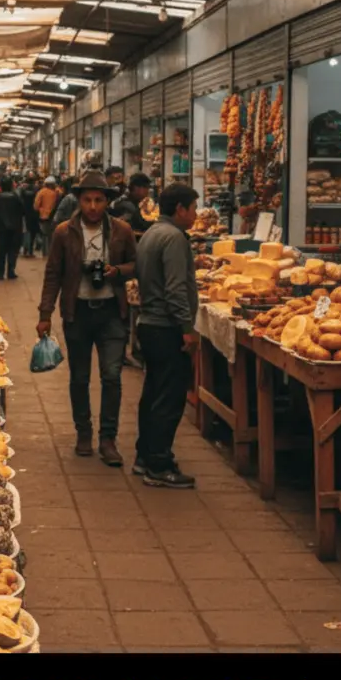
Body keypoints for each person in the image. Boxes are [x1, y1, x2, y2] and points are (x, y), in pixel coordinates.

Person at [37, 171, 136, 464]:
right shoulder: (64, 232)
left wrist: (117, 271)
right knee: (79, 378)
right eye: (88, 200)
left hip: (111, 314)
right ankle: (83, 432)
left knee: (112, 377)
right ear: (79, 200)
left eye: (99, 200)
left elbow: (136, 264)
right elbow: (53, 273)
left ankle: (108, 439)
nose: (93, 206)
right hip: (76, 313)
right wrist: (45, 314)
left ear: (107, 201)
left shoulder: (122, 230)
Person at [134, 182, 200, 489]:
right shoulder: (173, 238)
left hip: (150, 324)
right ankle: (159, 466)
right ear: (180, 209)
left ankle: (145, 456)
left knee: (153, 394)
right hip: (165, 327)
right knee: (169, 398)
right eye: (194, 208)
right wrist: (186, 329)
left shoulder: (152, 233)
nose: (196, 215)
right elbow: (175, 290)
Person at [0, 176, 25, 281]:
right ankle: (11, 271)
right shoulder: (16, 197)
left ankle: (0, 273)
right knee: (13, 249)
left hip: (1, 228)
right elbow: (23, 211)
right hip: (15, 228)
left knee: (1, 250)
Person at [34, 176, 58, 257]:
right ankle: (52, 252)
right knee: (53, 235)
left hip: (43, 216)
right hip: (55, 217)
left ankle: (45, 253)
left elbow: (36, 206)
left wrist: (40, 209)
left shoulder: (41, 192)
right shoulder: (57, 192)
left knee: (45, 235)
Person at [19, 173, 40, 257]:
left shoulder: (23, 190)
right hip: (34, 213)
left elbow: (20, 201)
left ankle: (25, 249)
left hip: (25, 213)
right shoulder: (37, 189)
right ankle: (30, 251)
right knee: (33, 232)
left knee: (25, 232)